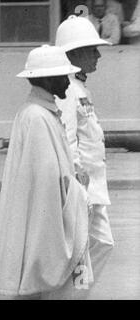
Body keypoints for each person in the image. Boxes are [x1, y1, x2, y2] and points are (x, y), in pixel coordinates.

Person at [0, 45, 92, 299]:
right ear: (46, 79)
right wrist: (78, 190)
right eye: (63, 76)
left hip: (56, 212)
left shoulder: (40, 112)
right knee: (60, 285)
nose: (68, 81)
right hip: (53, 219)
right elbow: (48, 182)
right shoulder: (37, 117)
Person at [55, 15, 115, 299]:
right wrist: (77, 184)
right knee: (85, 250)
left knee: (100, 245)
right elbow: (67, 139)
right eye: (92, 49)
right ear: (75, 52)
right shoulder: (66, 91)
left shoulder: (79, 88)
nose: (98, 55)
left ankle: (71, 296)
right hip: (83, 188)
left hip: (94, 187)